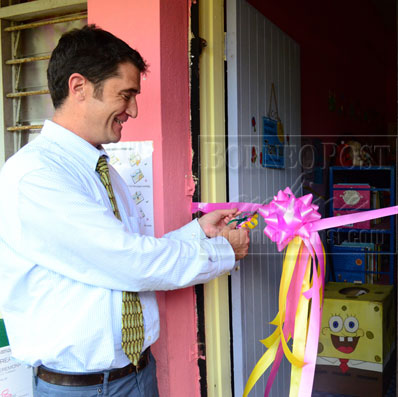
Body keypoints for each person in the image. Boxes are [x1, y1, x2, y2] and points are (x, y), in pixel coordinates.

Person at [0, 25, 249, 396]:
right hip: (81, 389)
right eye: (126, 94)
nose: (133, 110)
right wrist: (221, 252)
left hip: (137, 373)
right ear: (79, 87)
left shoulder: (106, 172)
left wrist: (197, 232)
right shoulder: (36, 177)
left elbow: (124, 249)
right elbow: (129, 262)